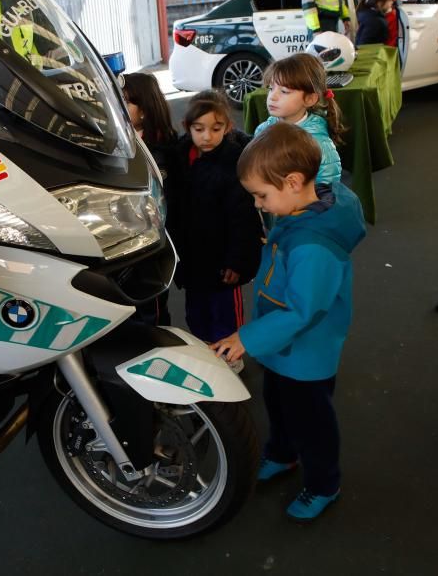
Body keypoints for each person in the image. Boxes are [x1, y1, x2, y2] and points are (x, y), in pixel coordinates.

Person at [211, 124, 366, 522]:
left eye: (262, 195)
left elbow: (303, 310)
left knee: (311, 420)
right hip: (283, 347)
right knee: (278, 402)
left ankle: (324, 483)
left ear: (294, 182)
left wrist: (246, 337)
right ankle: (282, 453)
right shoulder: (303, 211)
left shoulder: (313, 246)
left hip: (304, 352)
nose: (259, 205)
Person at [165, 91, 261, 345]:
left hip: (223, 260)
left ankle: (230, 353)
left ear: (228, 127)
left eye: (216, 129)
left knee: (225, 312)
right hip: (192, 257)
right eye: (199, 129)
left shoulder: (235, 163)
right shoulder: (179, 159)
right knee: (196, 311)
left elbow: (243, 218)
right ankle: (205, 349)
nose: (207, 136)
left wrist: (237, 261)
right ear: (188, 127)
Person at [122, 72, 177, 326]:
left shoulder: (165, 146)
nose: (118, 107)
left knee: (151, 309)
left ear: (144, 108)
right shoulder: (116, 141)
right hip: (123, 238)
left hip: (152, 243)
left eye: (126, 101)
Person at [254, 53, 344, 185]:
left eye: (284, 91)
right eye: (271, 88)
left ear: (310, 99)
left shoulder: (318, 145)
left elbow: (326, 188)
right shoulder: (262, 130)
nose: (272, 97)